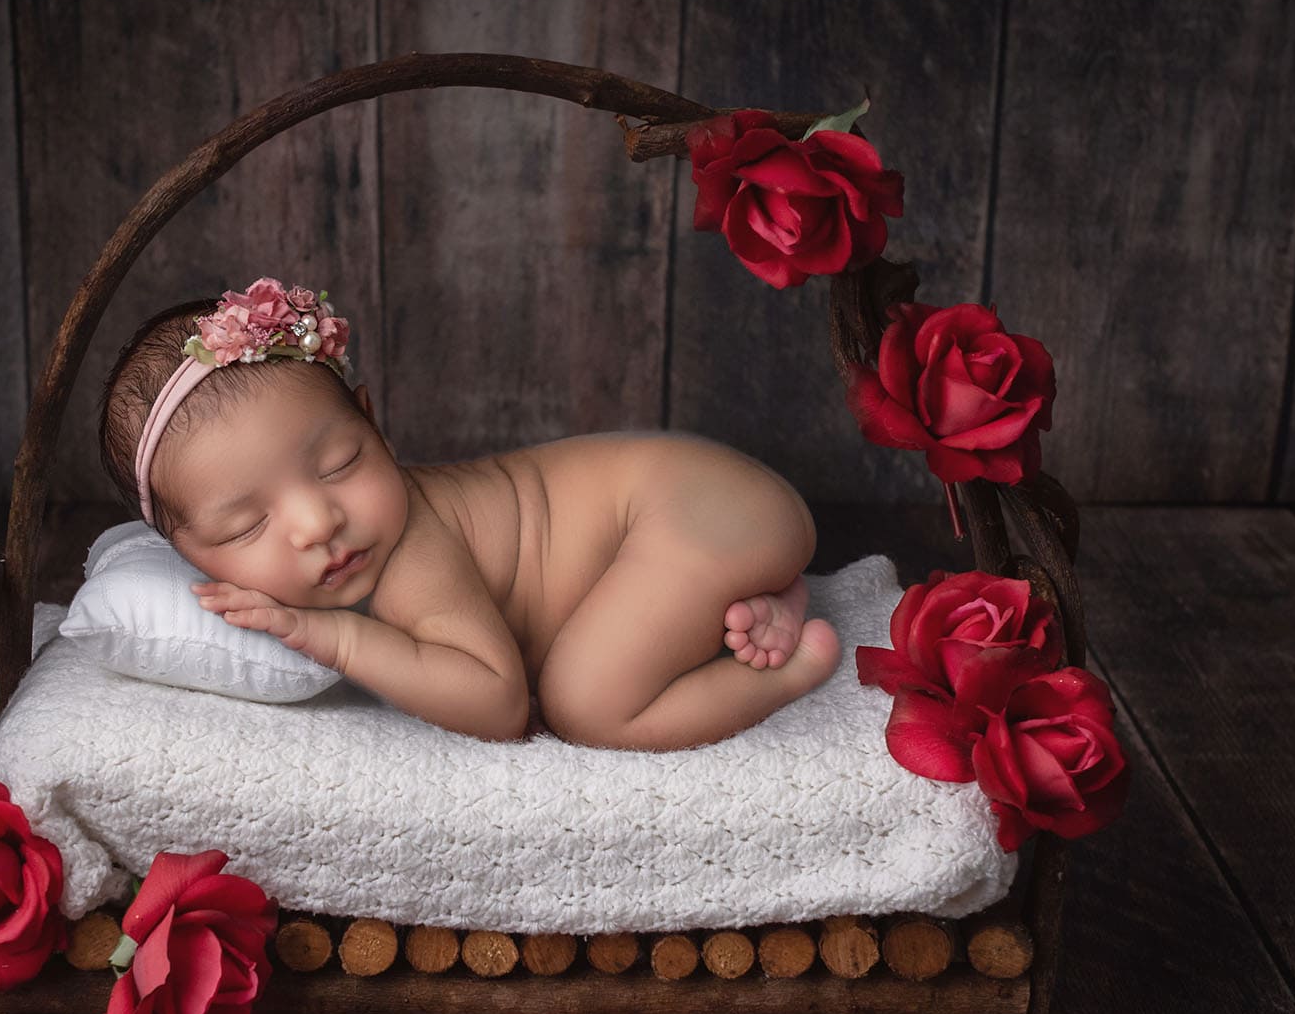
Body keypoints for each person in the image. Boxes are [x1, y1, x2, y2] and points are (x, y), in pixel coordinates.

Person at [96, 277, 841, 751]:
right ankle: (744, 602)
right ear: (190, 555)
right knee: (616, 640)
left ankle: (788, 672)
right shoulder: (347, 541)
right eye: (245, 527)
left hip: (697, 507)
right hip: (708, 519)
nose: (318, 521)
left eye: (341, 464)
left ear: (373, 421)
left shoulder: (408, 550)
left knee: (586, 700)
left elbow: (498, 701)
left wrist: (331, 636)